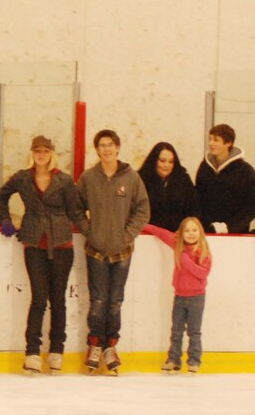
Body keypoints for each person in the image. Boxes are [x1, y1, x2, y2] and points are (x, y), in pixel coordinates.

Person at [0, 135, 88, 374]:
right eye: (37, 150)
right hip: (34, 243)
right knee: (38, 298)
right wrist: (5, 218)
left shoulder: (64, 181)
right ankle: (33, 351)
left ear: (52, 153)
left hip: (61, 245)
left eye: (45, 150)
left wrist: (91, 233)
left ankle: (57, 350)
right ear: (32, 152)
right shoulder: (23, 178)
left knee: (58, 299)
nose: (41, 154)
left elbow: (76, 211)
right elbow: (2, 194)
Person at [78, 129, 150, 374]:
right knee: (98, 301)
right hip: (95, 250)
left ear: (118, 148)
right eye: (102, 145)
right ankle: (95, 344)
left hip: (122, 251)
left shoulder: (131, 178)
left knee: (115, 301)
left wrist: (126, 235)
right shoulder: (88, 178)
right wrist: (90, 231)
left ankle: (111, 346)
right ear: (96, 149)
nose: (106, 149)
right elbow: (77, 209)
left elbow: (142, 210)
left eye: (110, 145)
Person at [144, 218, 212, 374]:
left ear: (200, 232)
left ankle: (194, 361)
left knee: (194, 331)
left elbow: (203, 273)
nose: (191, 234)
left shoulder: (203, 251)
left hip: (197, 297)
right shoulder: (177, 244)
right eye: (187, 231)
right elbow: (161, 232)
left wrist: (185, 260)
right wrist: (142, 225)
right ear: (181, 233)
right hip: (180, 296)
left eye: (194, 230)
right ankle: (174, 360)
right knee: (176, 330)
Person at [196, 124, 255, 234]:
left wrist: (230, 227)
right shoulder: (204, 167)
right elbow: (198, 197)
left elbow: (251, 206)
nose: (211, 143)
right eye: (210, 139)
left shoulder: (245, 171)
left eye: (216, 140)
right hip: (206, 231)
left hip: (235, 234)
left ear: (228, 143)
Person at [138, 142, 200, 232]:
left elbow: (193, 210)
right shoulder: (140, 180)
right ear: (154, 160)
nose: (166, 165)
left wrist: (186, 229)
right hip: (147, 235)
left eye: (171, 162)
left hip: (177, 236)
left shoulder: (183, 180)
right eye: (162, 161)